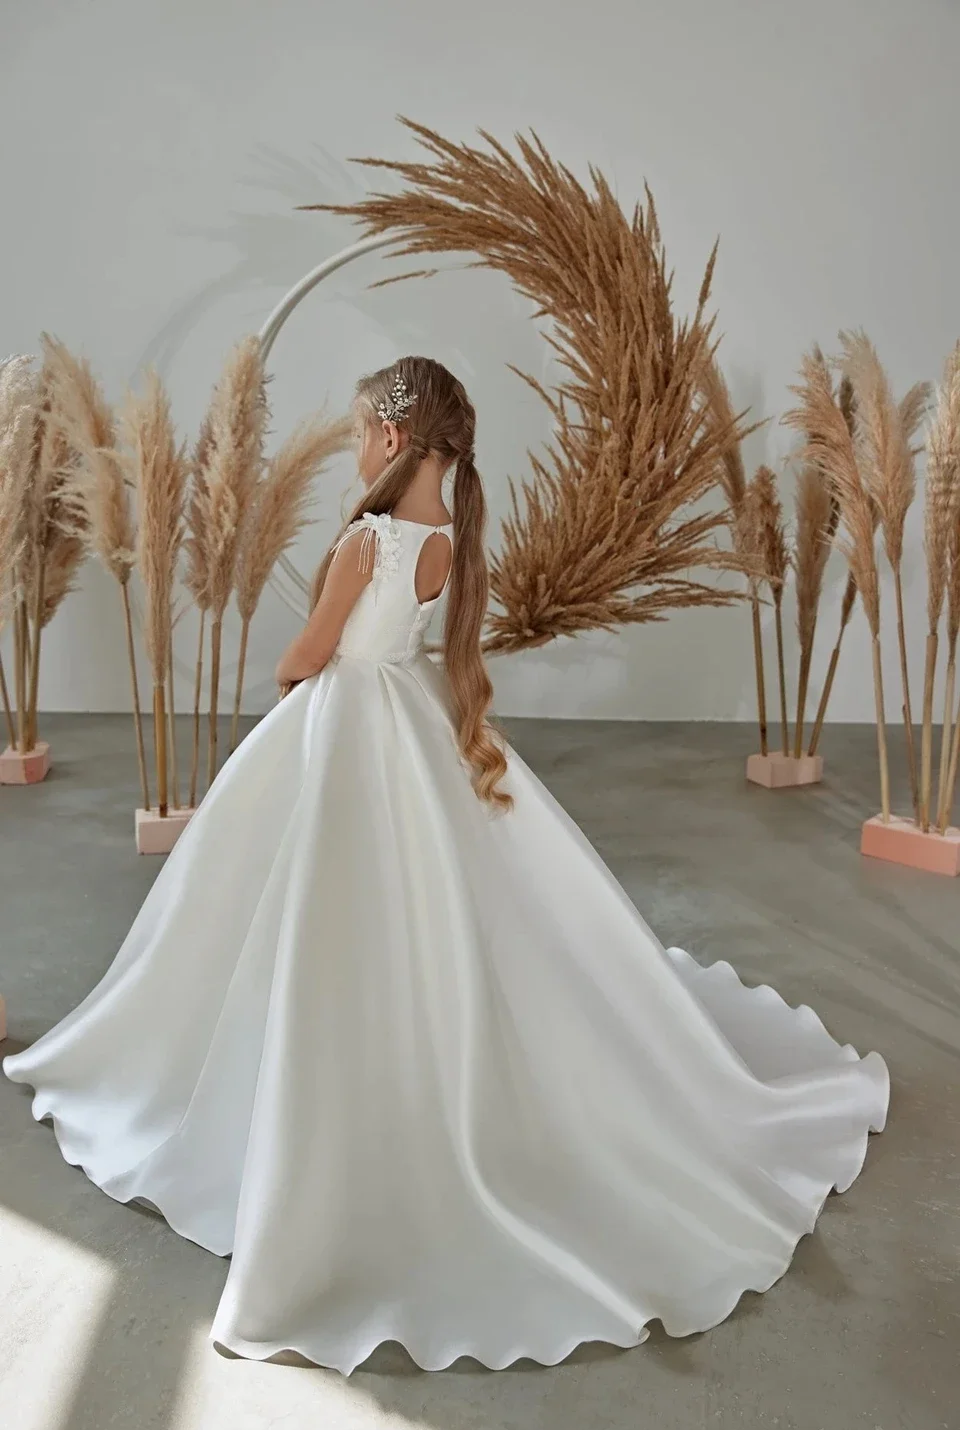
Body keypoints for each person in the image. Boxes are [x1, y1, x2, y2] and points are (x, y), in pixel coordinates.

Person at [3, 356, 888, 1376]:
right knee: (442, 907)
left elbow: (310, 654)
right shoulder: (449, 538)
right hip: (414, 722)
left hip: (348, 727)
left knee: (296, 908)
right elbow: (416, 641)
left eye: (353, 430)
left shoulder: (368, 540)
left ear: (386, 433)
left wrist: (290, 671)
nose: (351, 445)